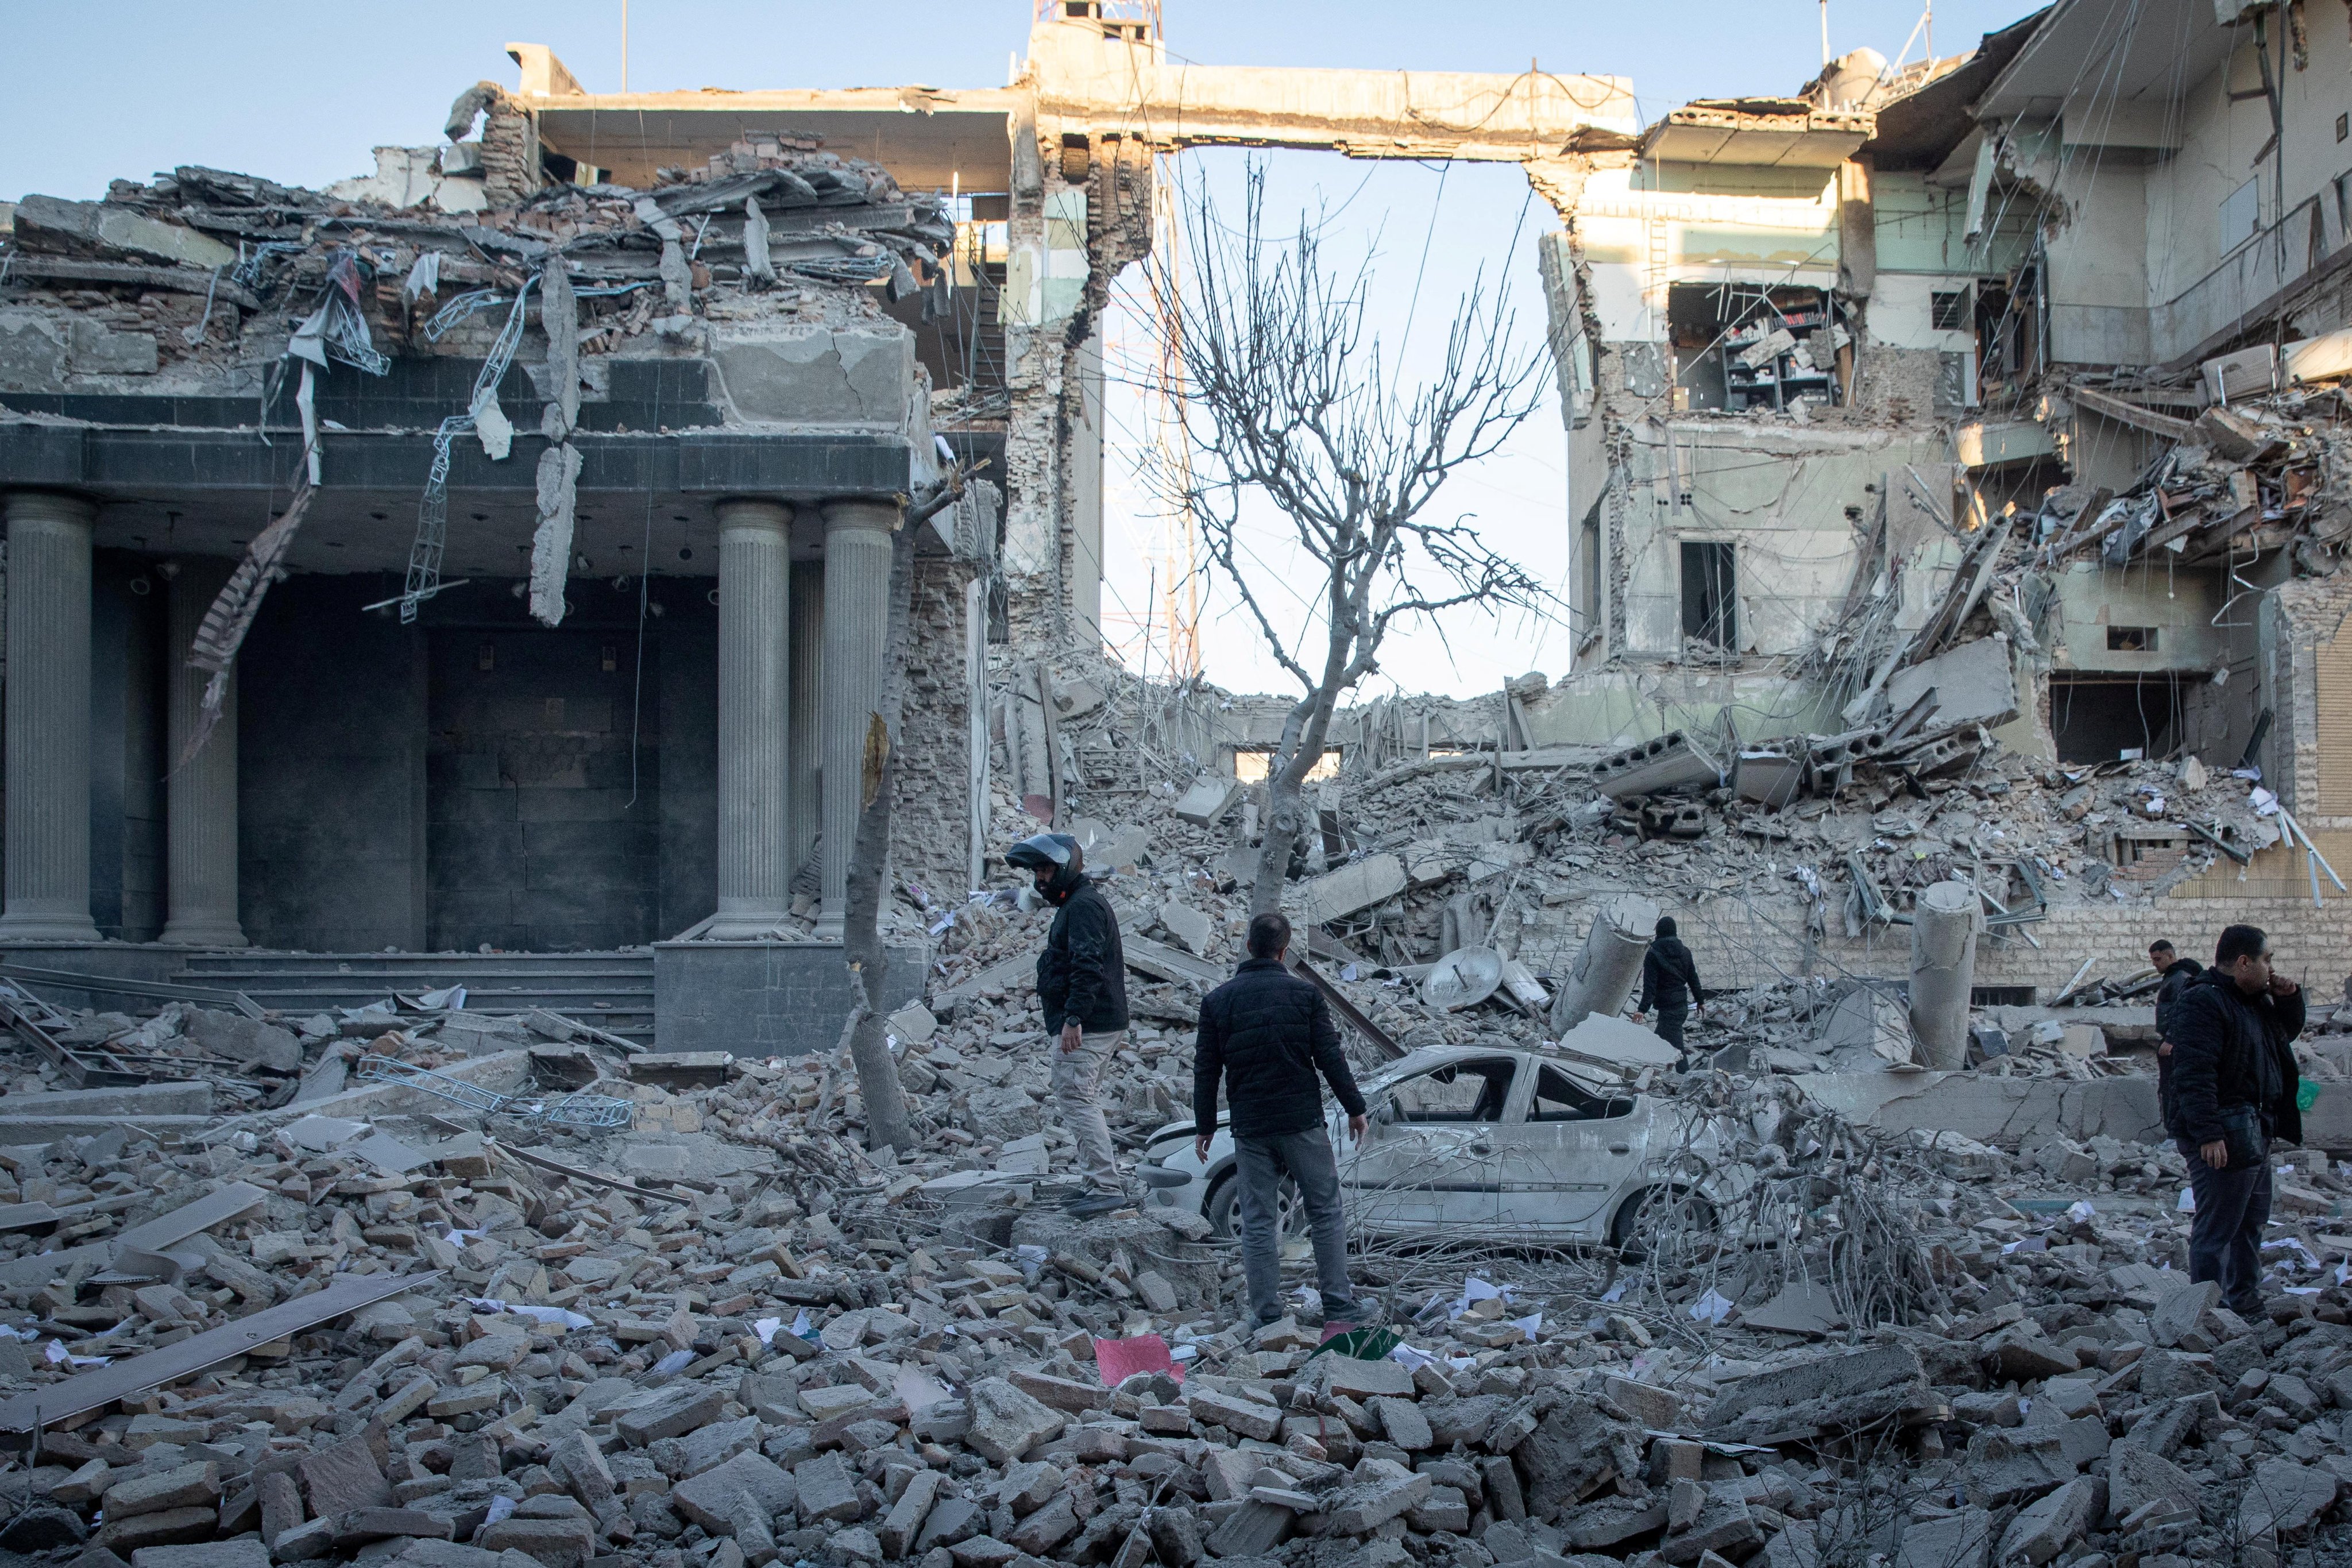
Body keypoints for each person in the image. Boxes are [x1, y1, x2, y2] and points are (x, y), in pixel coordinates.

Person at [1194, 912, 1374, 1330]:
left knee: (1258, 1220)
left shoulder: (1217, 1001)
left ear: (1248, 946)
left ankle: (1266, 1314)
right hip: (1300, 1121)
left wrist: (1205, 1125)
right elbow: (1330, 1057)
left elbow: (1206, 1070)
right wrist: (1354, 1107)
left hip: (1252, 1126)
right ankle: (1339, 1307)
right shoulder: (1305, 997)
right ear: (1284, 950)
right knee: (1326, 1210)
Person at [2167, 923, 2304, 1318]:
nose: (2270, 968)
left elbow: (2283, 1036)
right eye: (2267, 960)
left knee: (2250, 1223)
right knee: (2217, 1231)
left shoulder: (2253, 1000)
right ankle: (2208, 1315)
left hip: (2253, 1130)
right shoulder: (2203, 1002)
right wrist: (2208, 1134)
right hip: (2222, 1135)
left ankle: (2245, 1304)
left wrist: (2289, 999)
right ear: (2243, 962)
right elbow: (2193, 1073)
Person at [1006, 832, 1131, 1214]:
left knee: (1078, 1100)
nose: (1040, 878)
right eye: (1036, 871)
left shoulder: (1082, 907)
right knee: (1081, 1100)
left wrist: (1074, 1017)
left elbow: (1087, 964)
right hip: (1093, 1020)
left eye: (1046, 869)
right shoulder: (1075, 903)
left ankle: (1106, 1186)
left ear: (1065, 867)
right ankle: (1095, 1182)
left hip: (1088, 1025)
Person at [1630, 916, 1706, 1054]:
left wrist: (1642, 1009)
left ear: (1659, 931)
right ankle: (1656, 1074)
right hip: (1681, 1007)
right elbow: (1693, 979)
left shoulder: (1653, 954)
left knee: (1676, 1053)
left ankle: (1687, 1075)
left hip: (1669, 1011)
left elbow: (1650, 986)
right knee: (1659, 1048)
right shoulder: (1685, 952)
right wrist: (1700, 1001)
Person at [2149, 938, 2204, 1128]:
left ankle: (2175, 1133)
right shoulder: (2174, 977)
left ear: (2170, 955)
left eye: (2158, 959)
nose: (2155, 964)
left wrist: (2171, 1039)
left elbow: (2184, 1010)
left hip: (2177, 1042)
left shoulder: (2180, 978)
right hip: (2176, 1040)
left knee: (2173, 1087)